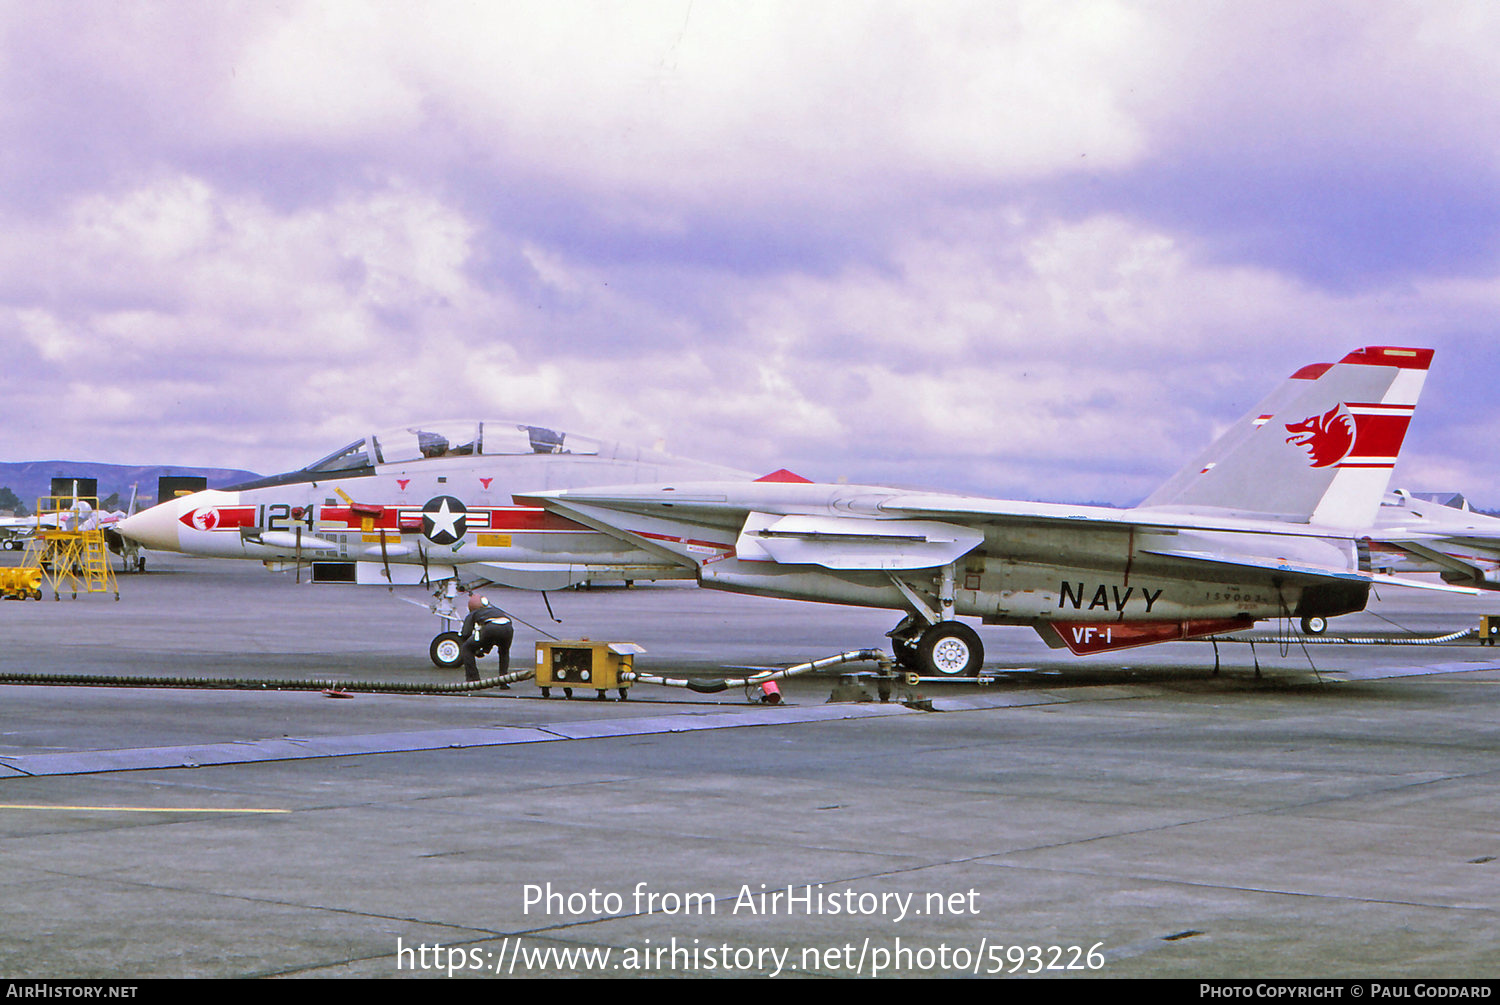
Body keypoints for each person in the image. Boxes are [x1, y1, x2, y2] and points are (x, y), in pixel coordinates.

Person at [458, 594, 514, 685]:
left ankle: (473, 679)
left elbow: (465, 633)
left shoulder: (474, 613)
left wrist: (475, 647)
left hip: (491, 628)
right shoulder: (495, 610)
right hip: (508, 627)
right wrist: (485, 649)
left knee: (466, 648)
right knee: (504, 652)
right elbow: (493, 638)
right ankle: (504, 680)